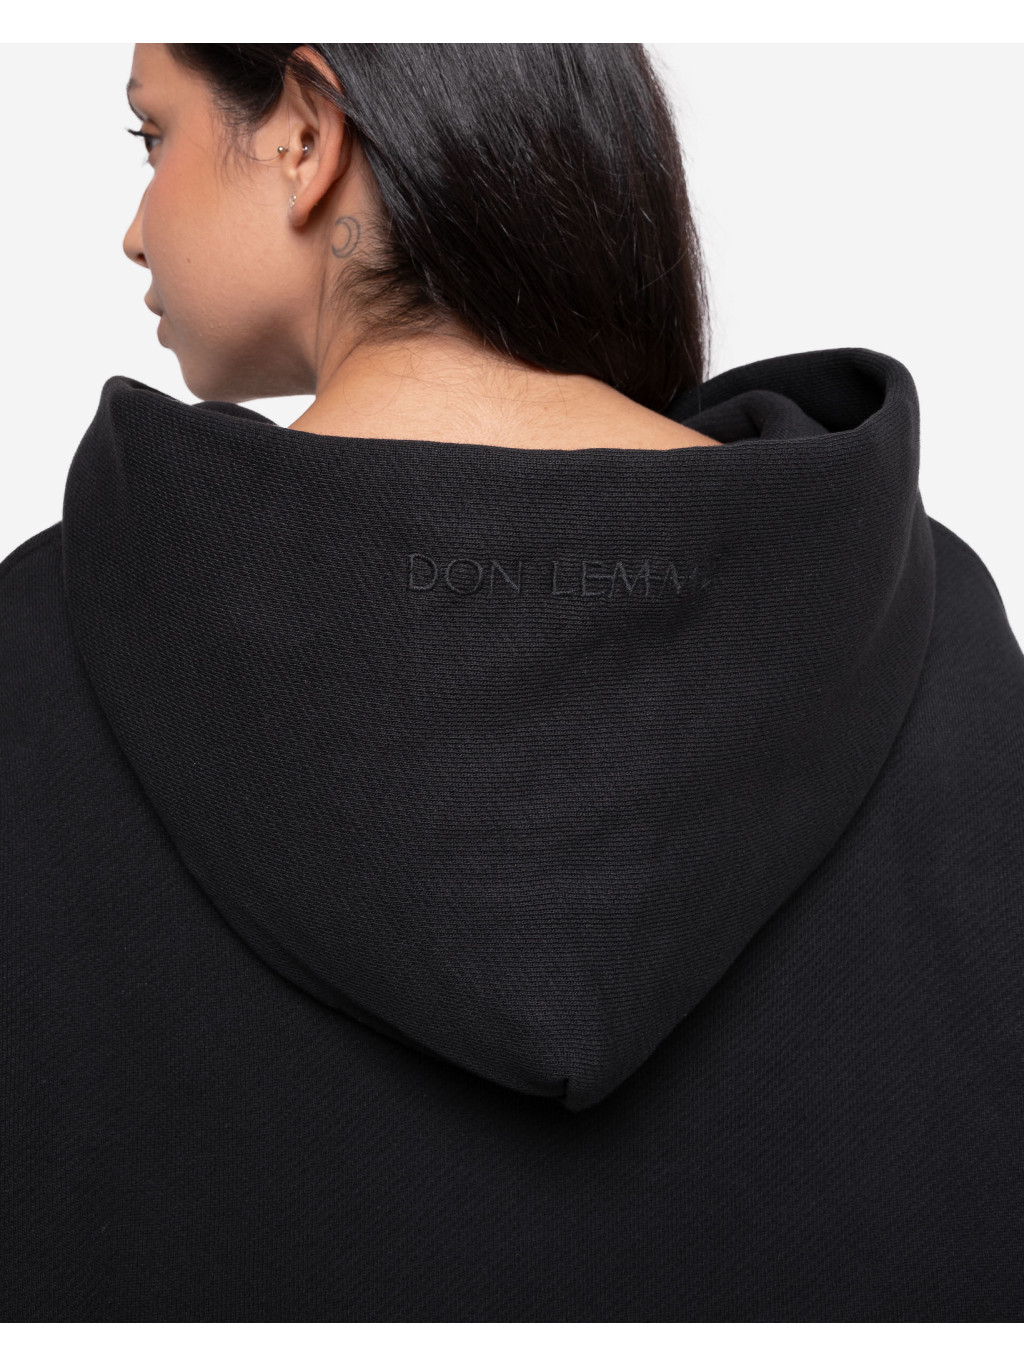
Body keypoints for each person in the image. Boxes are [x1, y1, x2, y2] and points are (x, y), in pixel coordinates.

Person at [1, 42, 1021, 1324]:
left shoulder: (39, 652)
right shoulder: (924, 623)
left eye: (151, 137)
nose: (134, 230)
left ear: (305, 136)